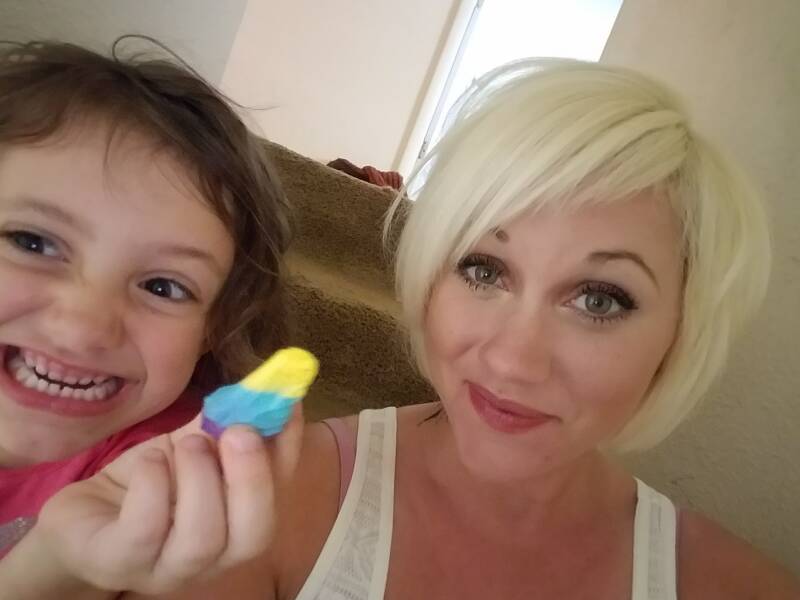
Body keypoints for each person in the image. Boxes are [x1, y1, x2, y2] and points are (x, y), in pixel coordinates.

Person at [6, 59, 799, 599]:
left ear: (678, 334)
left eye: (599, 299)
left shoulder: (742, 584)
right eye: (484, 269)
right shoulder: (274, 499)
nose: (512, 359)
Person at [0, 38, 291, 561]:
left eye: (163, 287)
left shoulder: (165, 470)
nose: (84, 327)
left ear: (214, 332)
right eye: (32, 242)